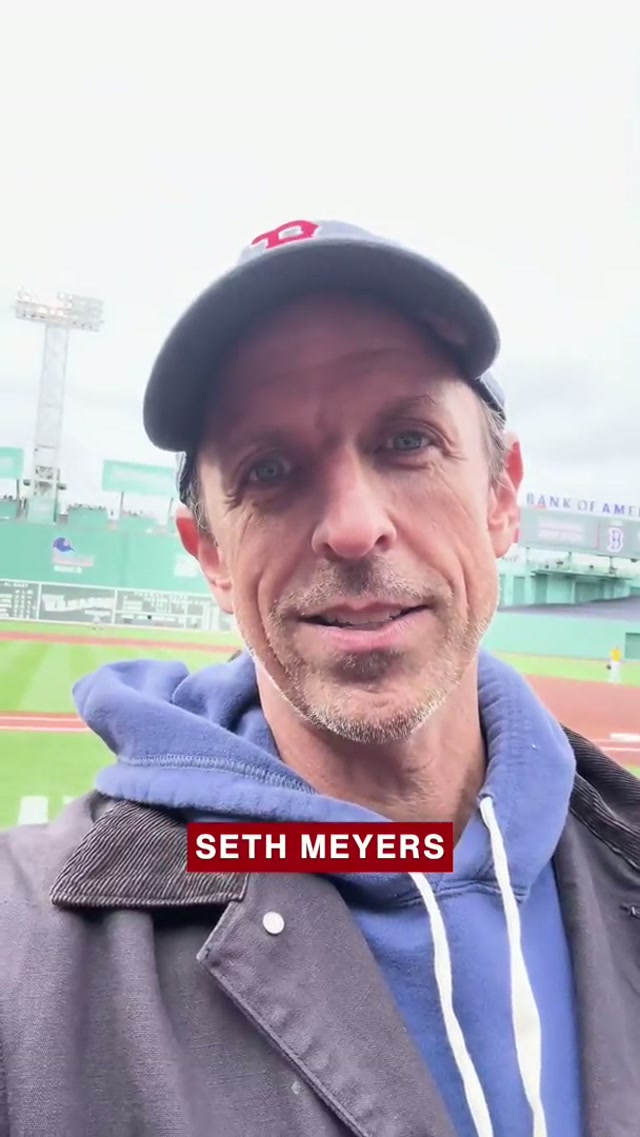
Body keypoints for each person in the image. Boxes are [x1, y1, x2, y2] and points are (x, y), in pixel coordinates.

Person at [2, 220, 639, 1137]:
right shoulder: (30, 944)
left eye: (408, 440)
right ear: (211, 554)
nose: (351, 525)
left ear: (502, 497)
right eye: (268, 469)